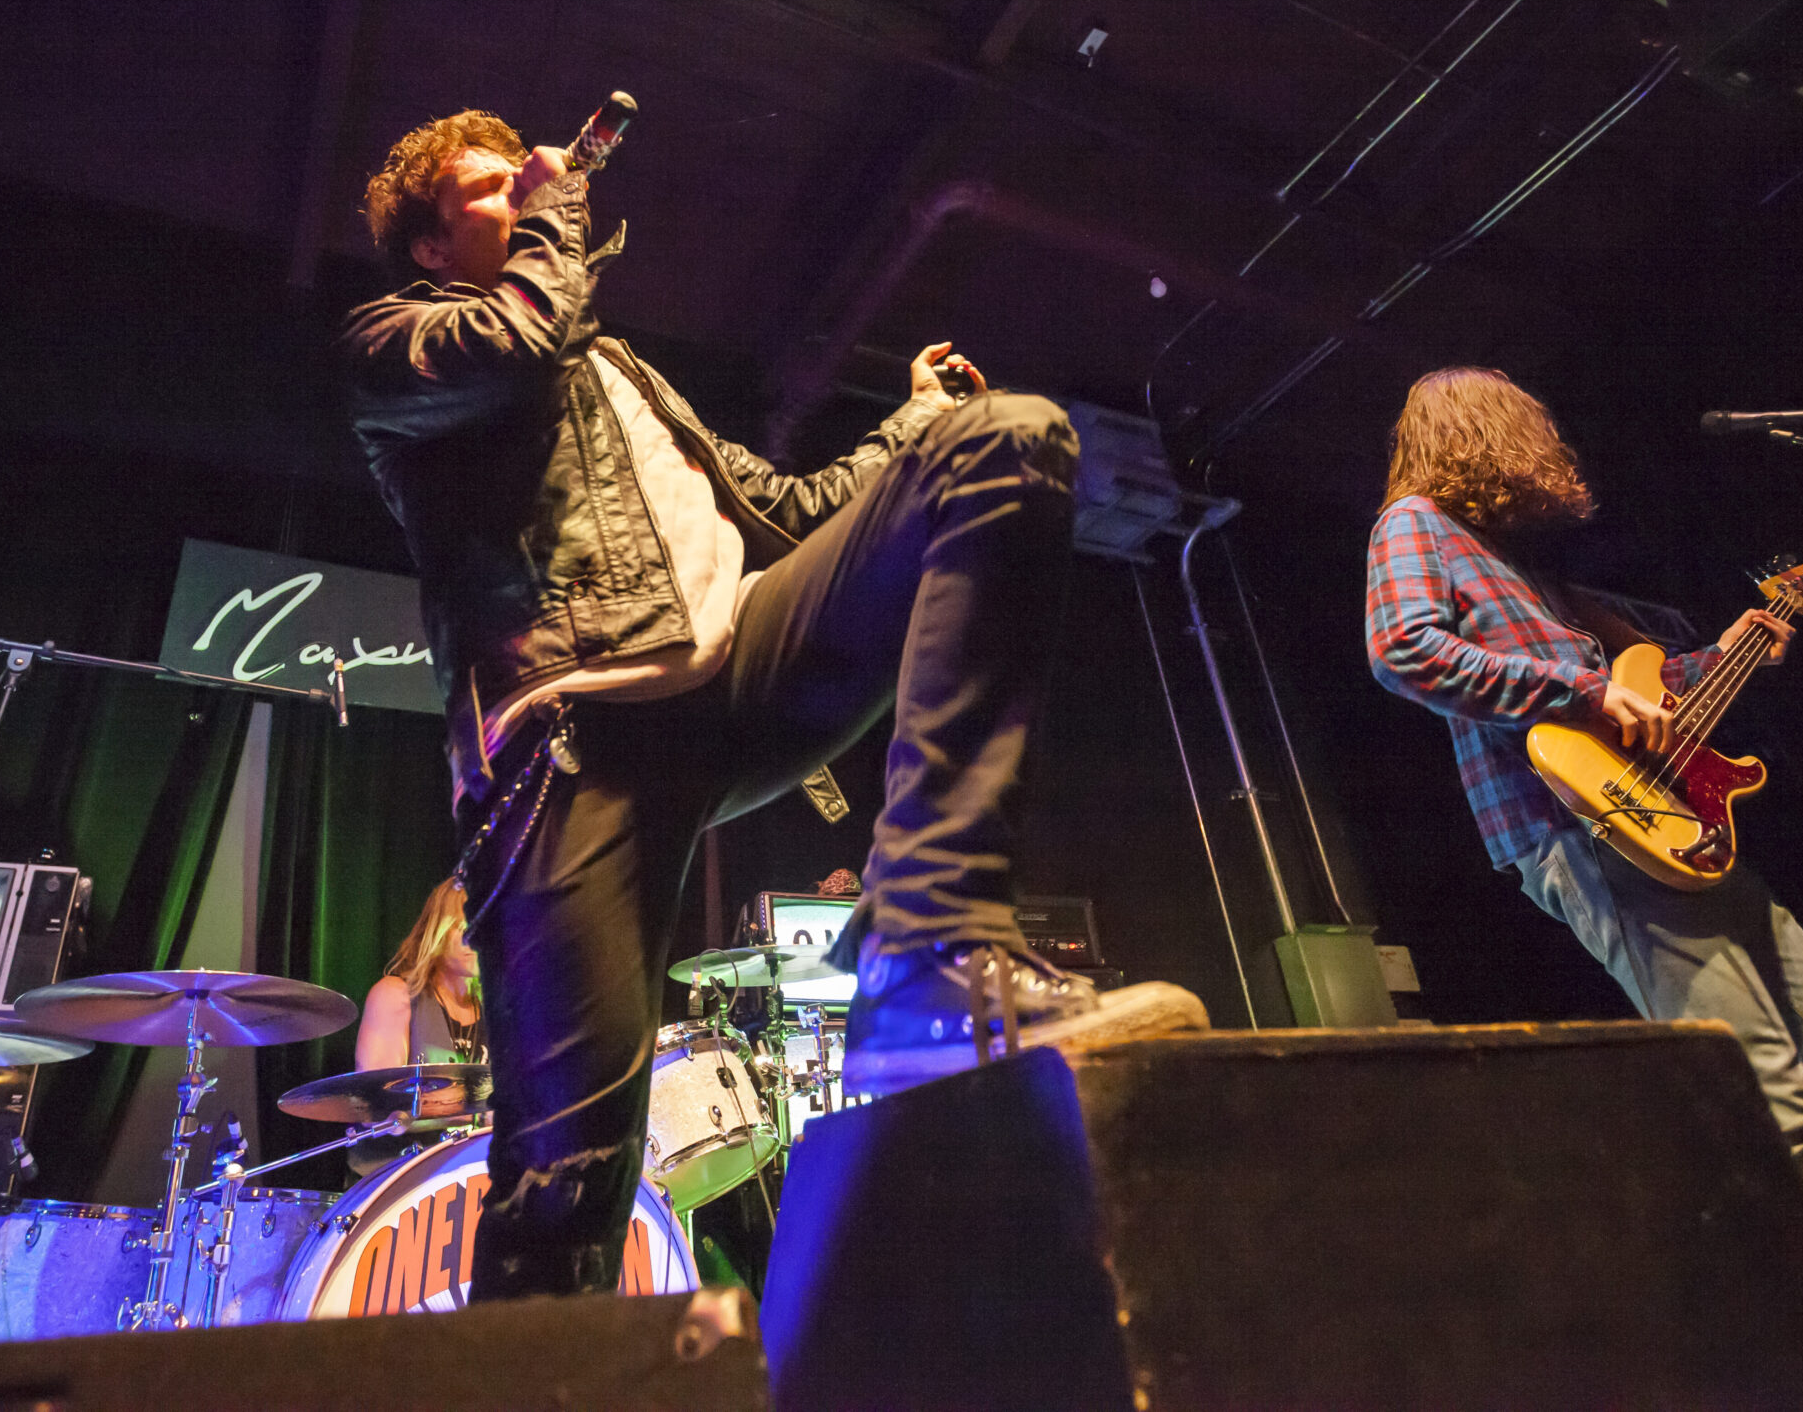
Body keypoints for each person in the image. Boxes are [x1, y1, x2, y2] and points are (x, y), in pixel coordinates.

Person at [341, 109, 1201, 1298]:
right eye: (490, 187)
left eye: (523, 177)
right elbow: (519, 340)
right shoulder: (394, 342)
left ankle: (930, 952)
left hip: (731, 678)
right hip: (571, 748)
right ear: (431, 246)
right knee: (567, 1179)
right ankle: (537, 1354)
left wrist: (911, 422)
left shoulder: (620, 373)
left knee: (999, 442)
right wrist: (554, 212)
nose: (529, 184)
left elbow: (788, 514)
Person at [1363, 366, 1803, 1175]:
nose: (1547, 440)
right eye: (1529, 423)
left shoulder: (1533, 573)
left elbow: (1637, 693)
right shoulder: (1415, 523)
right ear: (1480, 428)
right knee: (1772, 1108)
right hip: (1579, 823)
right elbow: (1403, 648)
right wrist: (1582, 690)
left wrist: (1726, 654)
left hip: (1677, 819)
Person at [355, 879, 484, 1072]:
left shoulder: (501, 1007)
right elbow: (377, 1089)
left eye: (483, 927)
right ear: (436, 932)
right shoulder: (395, 996)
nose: (473, 937)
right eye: (461, 927)